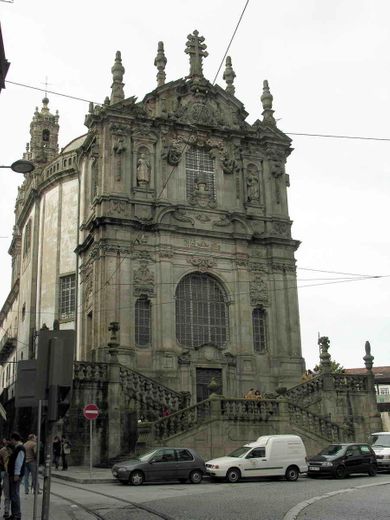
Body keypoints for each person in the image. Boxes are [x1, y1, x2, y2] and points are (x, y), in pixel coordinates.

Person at [8, 432, 25, 520]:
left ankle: (17, 515)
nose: (11, 442)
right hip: (13, 474)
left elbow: (19, 462)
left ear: (14, 439)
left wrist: (16, 474)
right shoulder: (17, 448)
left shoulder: (20, 448)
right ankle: (14, 514)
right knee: (13, 494)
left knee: (15, 495)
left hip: (16, 475)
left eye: (11, 440)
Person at [0, 439, 11, 519]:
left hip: (7, 474)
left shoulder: (13, 450)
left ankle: (7, 511)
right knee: (7, 494)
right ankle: (6, 511)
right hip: (5, 473)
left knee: (7, 494)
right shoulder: (2, 450)